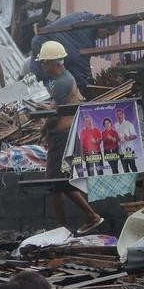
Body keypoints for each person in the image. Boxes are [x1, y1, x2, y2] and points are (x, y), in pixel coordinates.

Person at [38, 40, 103, 234]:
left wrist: (43, 131)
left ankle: (86, 217)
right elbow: (55, 108)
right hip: (62, 134)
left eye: (44, 62)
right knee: (57, 183)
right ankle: (63, 226)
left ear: (53, 63)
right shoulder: (64, 79)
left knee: (55, 181)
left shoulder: (62, 82)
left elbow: (55, 114)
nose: (43, 66)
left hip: (62, 136)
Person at [28, 13, 114, 91]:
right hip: (43, 45)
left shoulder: (89, 18)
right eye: (107, 34)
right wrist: (89, 86)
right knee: (48, 83)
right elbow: (81, 63)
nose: (106, 37)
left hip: (41, 42)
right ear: (101, 27)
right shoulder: (86, 35)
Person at [113, 107, 139, 173]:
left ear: (123, 115)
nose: (119, 116)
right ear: (116, 116)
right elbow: (115, 136)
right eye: (117, 115)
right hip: (120, 150)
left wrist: (129, 138)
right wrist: (115, 139)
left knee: (133, 166)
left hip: (129, 150)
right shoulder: (115, 125)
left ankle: (136, 182)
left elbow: (135, 135)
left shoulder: (129, 124)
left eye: (120, 114)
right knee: (125, 169)